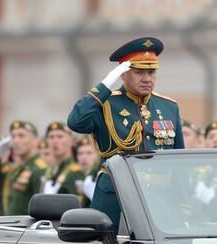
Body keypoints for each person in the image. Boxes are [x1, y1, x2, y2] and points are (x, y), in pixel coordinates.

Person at [67, 37, 184, 231]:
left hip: (160, 198)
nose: (147, 78)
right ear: (122, 75)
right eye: (139, 72)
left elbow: (179, 161)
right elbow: (76, 122)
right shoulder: (105, 103)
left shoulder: (169, 106)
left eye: (151, 72)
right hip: (116, 195)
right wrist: (105, 85)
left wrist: (184, 206)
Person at [0, 120, 47, 215]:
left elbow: (42, 209)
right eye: (13, 136)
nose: (15, 141)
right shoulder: (16, 169)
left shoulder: (40, 169)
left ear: (36, 141)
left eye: (21, 136)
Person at [42, 122, 85, 202]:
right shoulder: (50, 170)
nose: (55, 141)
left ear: (72, 141)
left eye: (60, 136)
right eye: (51, 137)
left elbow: (77, 206)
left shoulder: (75, 172)